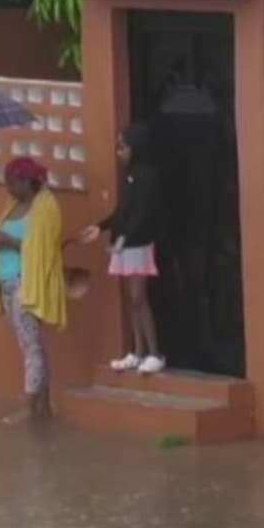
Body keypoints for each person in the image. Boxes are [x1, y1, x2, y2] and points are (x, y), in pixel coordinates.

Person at [0, 157, 67, 420]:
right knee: (29, 344)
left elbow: (46, 247)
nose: (7, 188)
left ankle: (29, 407)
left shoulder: (46, 206)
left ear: (24, 181)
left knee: (31, 346)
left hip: (26, 282)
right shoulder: (12, 206)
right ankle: (42, 405)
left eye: (10, 182)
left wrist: (11, 241)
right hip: (6, 281)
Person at [80, 124, 165, 374]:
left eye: (123, 147)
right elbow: (121, 212)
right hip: (125, 243)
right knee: (131, 299)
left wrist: (120, 242)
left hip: (138, 243)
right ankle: (137, 352)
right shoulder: (130, 175)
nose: (119, 152)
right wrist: (100, 227)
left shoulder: (149, 176)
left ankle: (155, 353)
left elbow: (141, 217)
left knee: (139, 297)